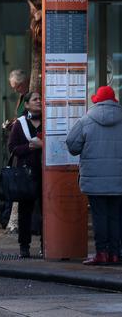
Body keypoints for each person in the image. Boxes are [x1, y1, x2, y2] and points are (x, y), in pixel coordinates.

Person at [66, 85, 122, 265]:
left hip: (94, 178)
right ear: (114, 100)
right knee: (116, 216)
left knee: (99, 216)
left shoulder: (86, 120)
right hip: (119, 178)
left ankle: (101, 253)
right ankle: (115, 253)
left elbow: (72, 146)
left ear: (96, 100)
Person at [7, 91, 43, 258]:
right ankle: (24, 246)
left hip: (46, 173)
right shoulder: (20, 123)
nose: (39, 101)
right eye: (35, 99)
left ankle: (46, 245)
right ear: (27, 104)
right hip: (26, 173)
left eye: (40, 99)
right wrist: (30, 147)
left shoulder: (48, 121)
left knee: (46, 211)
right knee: (25, 211)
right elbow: (12, 147)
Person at [3, 69, 29, 235]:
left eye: (17, 86)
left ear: (23, 83)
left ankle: (18, 222)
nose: (15, 89)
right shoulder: (21, 97)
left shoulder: (29, 95)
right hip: (18, 141)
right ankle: (13, 220)